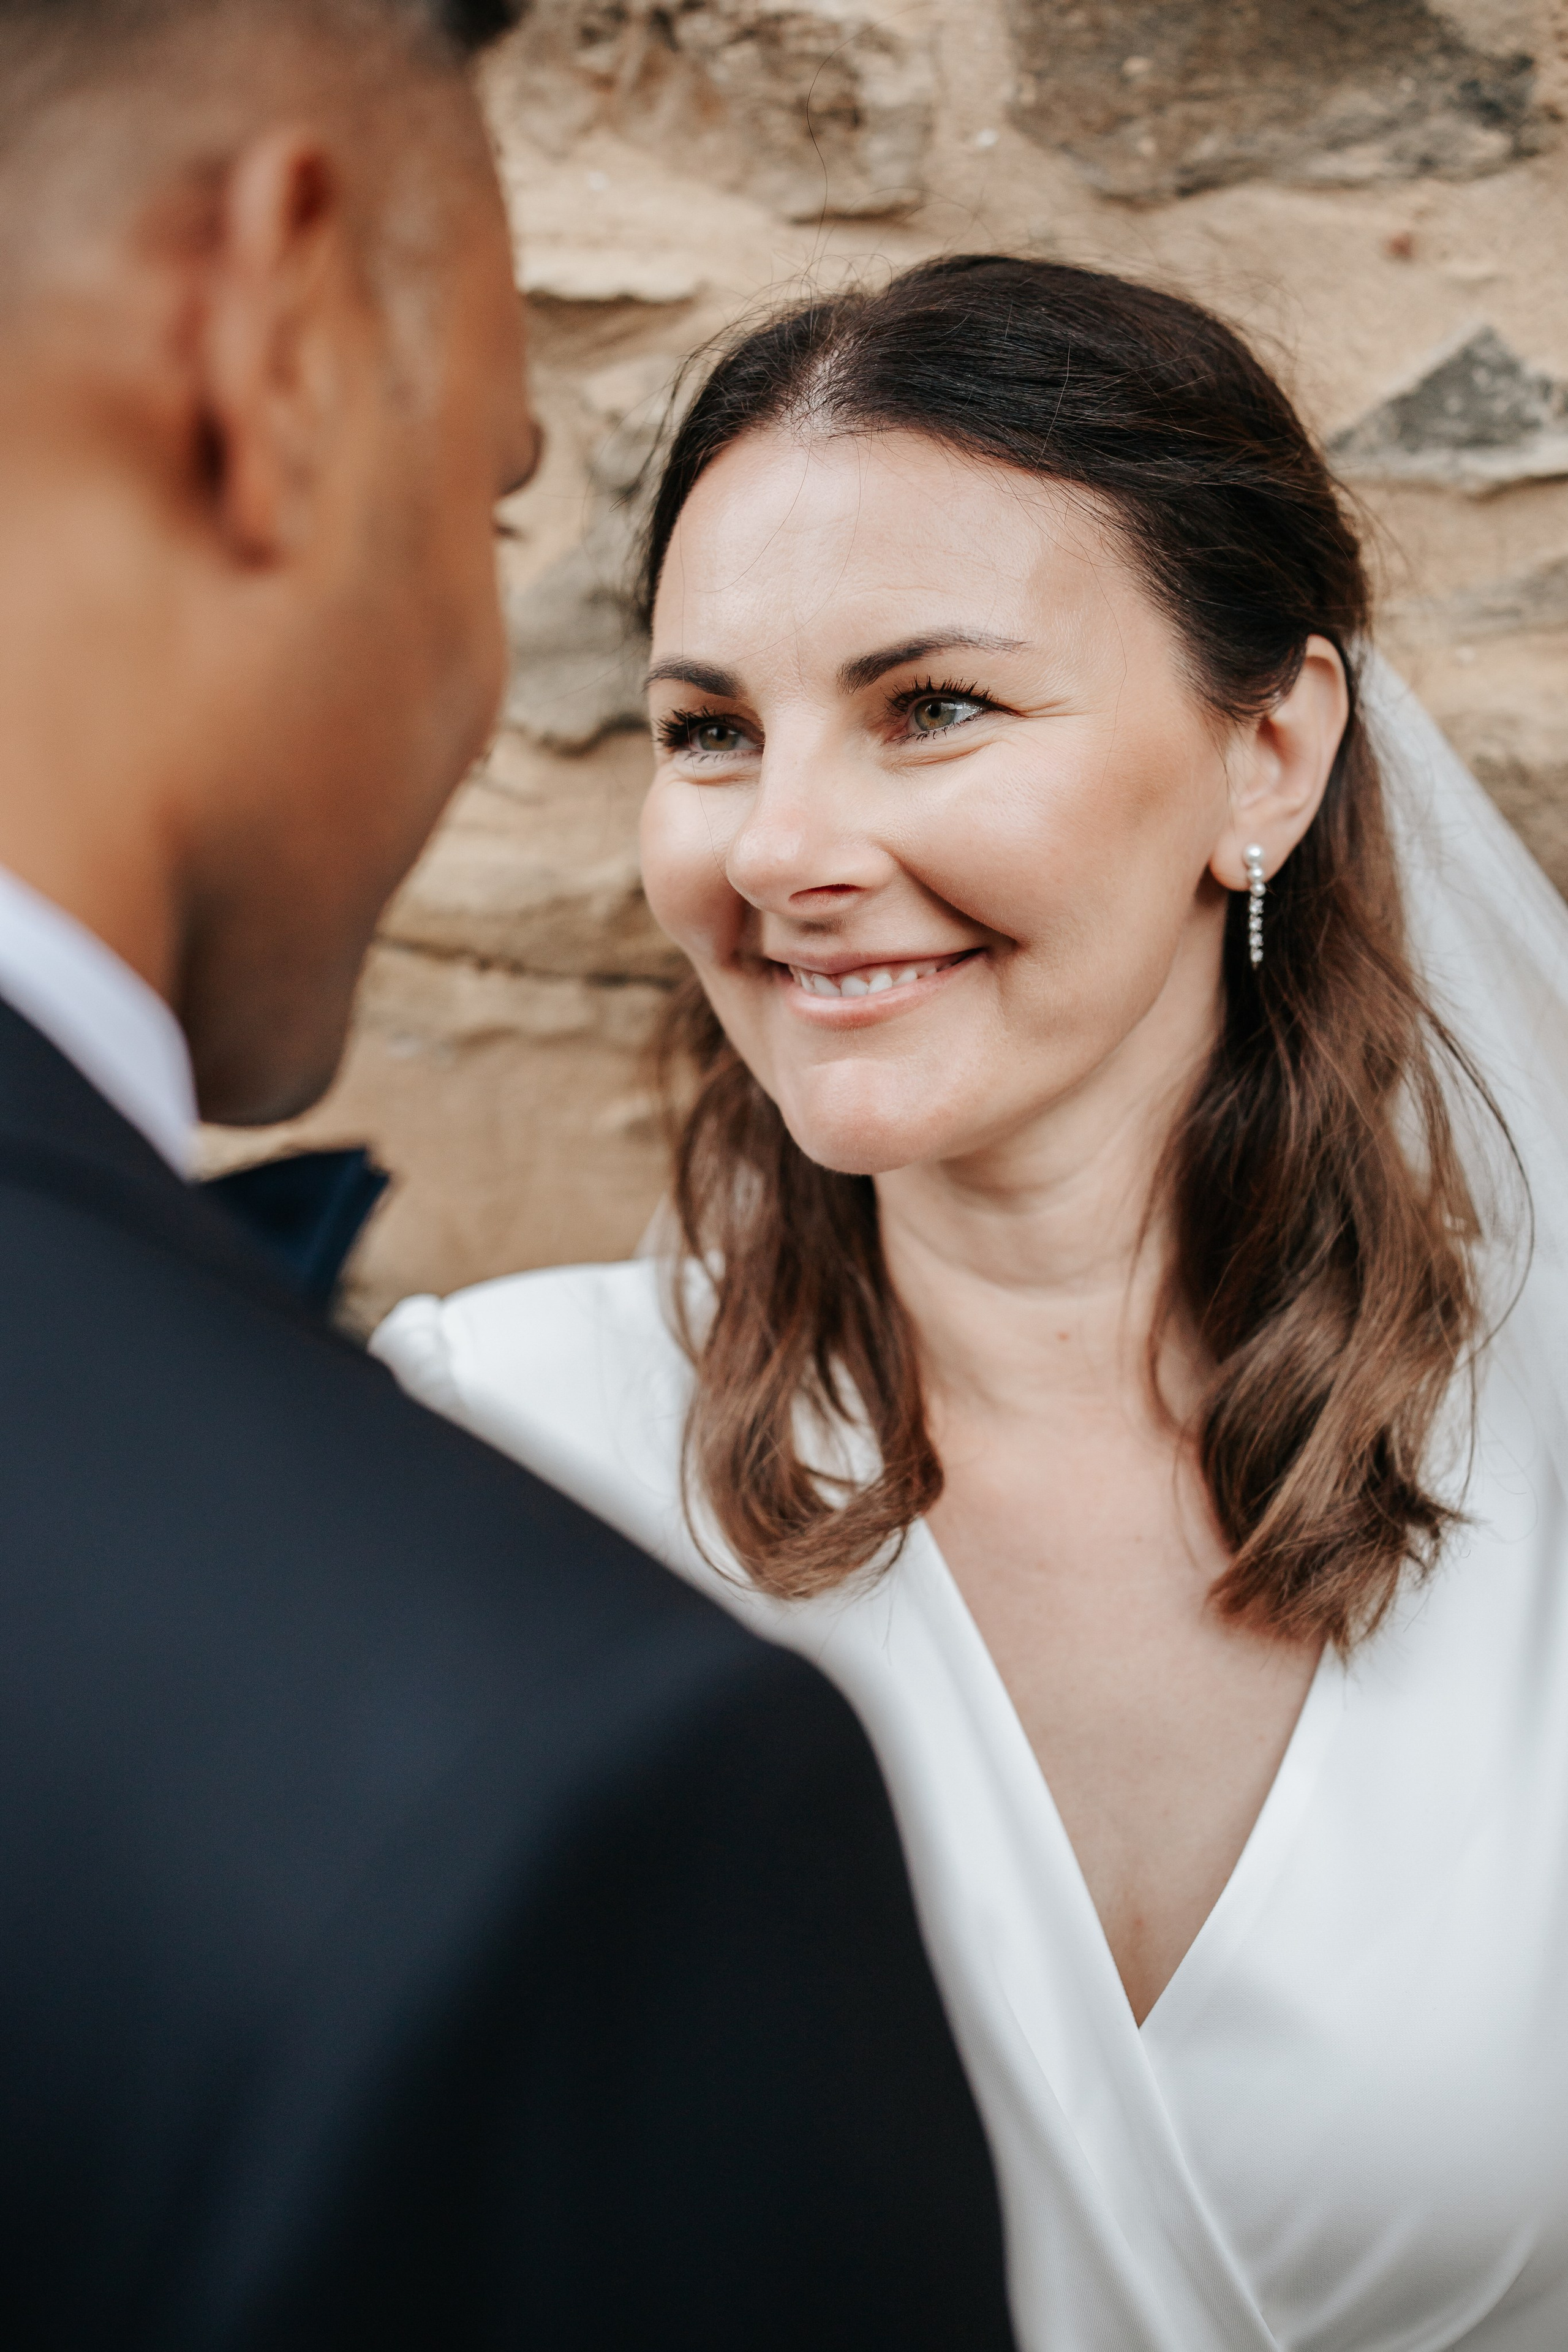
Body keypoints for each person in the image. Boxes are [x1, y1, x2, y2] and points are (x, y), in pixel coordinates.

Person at [377, 255, 1568, 2350]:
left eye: (933, 705)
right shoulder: (490, 1458)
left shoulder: (1545, 1458)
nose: (786, 845)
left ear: (1267, 755)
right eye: (710, 731)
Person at [0, 12, 1019, 2347]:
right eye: (480, 506)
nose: (783, 851)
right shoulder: (538, 1762)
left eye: (935, 705)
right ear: (269, 343)